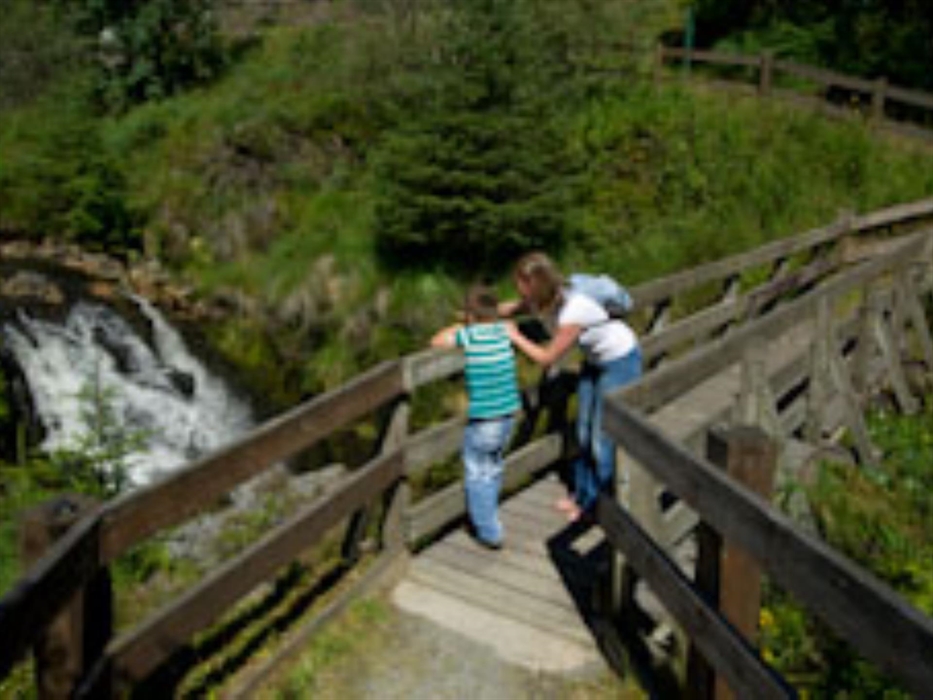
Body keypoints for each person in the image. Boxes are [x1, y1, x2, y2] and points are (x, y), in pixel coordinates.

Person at [502, 251, 641, 522]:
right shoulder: (554, 295)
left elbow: (547, 357)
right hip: (595, 360)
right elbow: (514, 308)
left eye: (521, 284)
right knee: (583, 429)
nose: (518, 290)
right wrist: (482, 313)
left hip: (620, 360)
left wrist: (515, 335)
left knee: (602, 436)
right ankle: (582, 493)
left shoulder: (574, 309)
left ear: (534, 284)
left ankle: (596, 504)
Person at [430, 284, 521, 549]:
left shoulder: (470, 336)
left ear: (469, 315)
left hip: (485, 418)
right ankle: (489, 516)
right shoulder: (504, 331)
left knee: (477, 472)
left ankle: (489, 532)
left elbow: (436, 341)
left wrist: (460, 324)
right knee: (492, 467)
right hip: (508, 414)